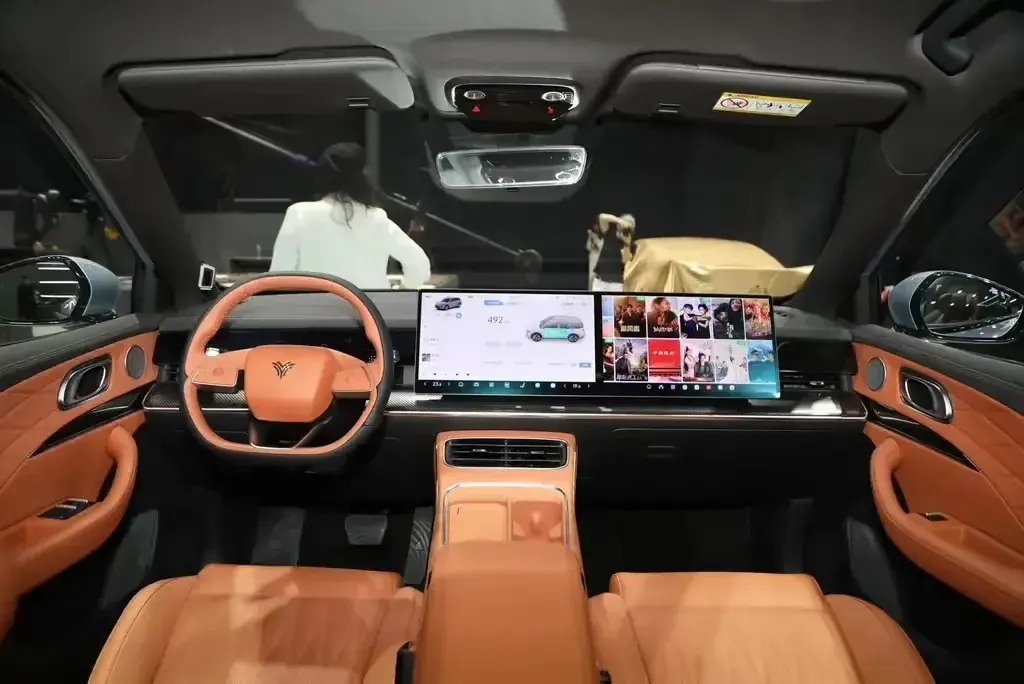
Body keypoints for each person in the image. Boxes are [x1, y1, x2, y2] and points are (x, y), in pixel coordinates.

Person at [270, 143, 431, 289]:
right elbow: (419, 265)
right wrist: (402, 290)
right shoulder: (376, 217)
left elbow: (279, 277)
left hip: (314, 310)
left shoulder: (299, 213)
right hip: (369, 310)